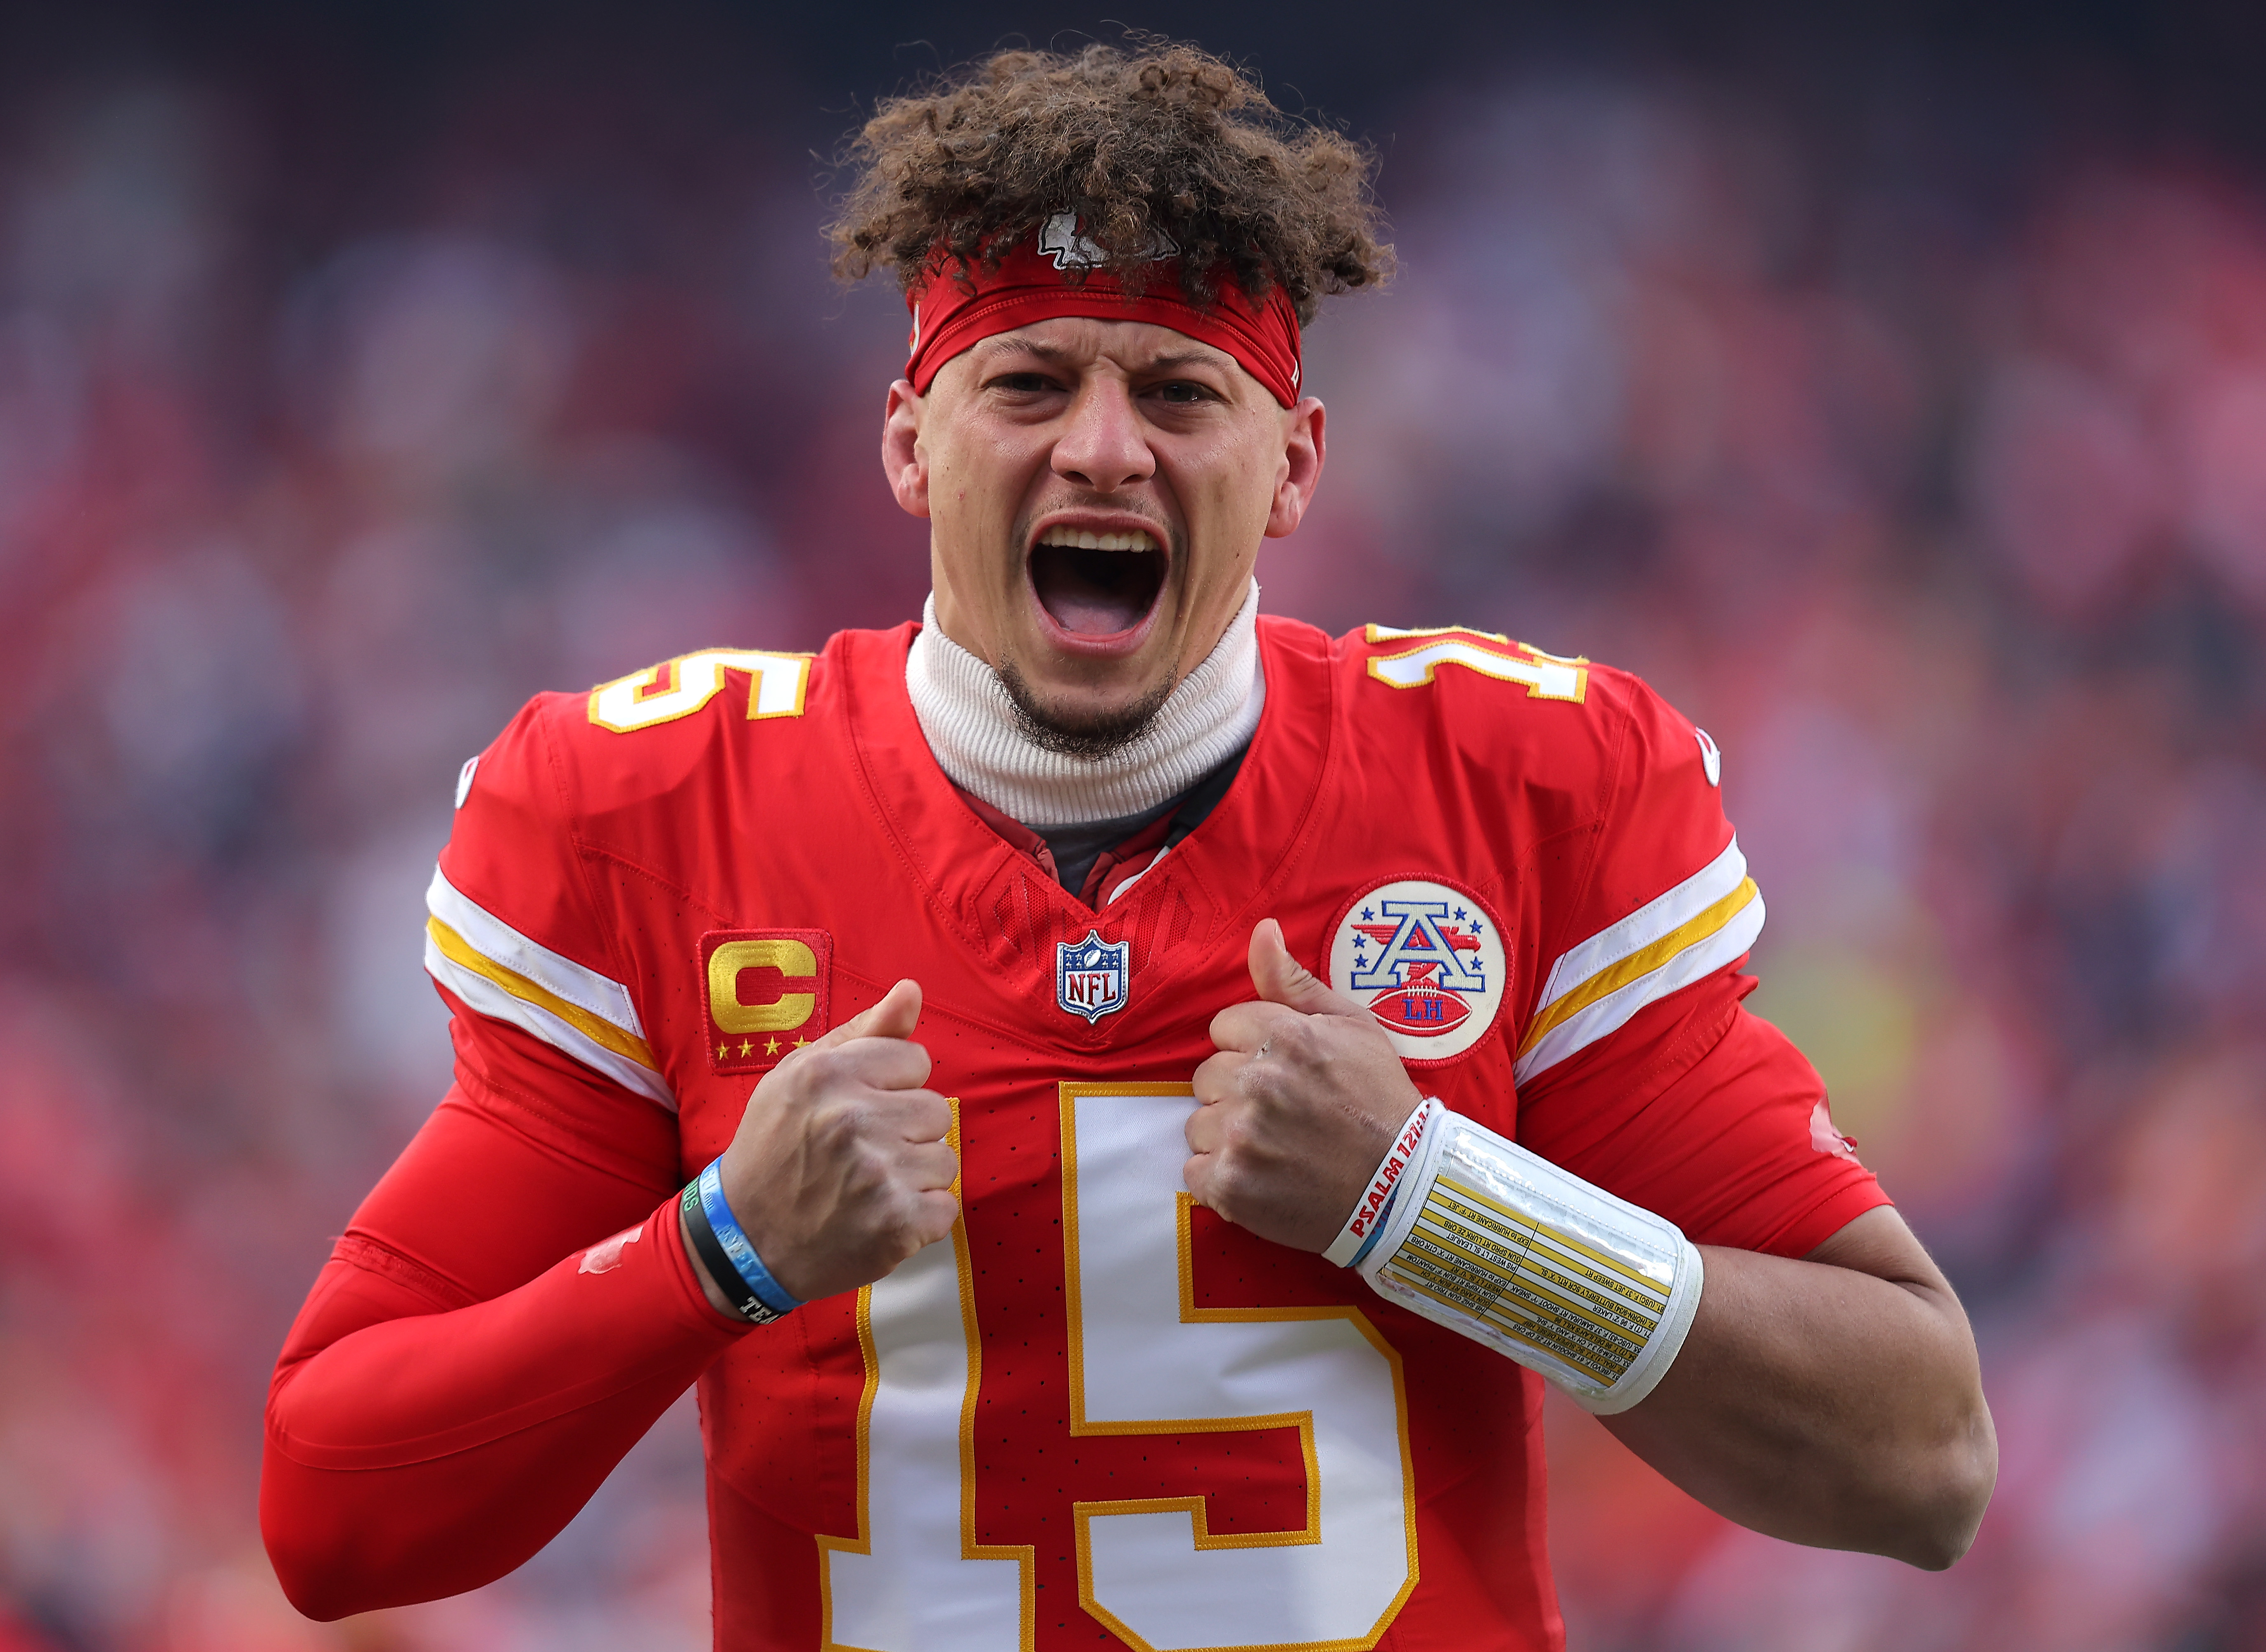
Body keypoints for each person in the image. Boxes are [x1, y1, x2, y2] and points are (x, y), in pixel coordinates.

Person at [260, 41, 1996, 1650]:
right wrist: (716, 1248)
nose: (1104, 447)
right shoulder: (660, 815)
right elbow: (333, 1512)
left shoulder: (1516, 788)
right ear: (908, 443)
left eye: (1180, 390)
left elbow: (1918, 1454)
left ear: (1296, 462)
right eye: (1028, 383)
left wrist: (1439, 1203)